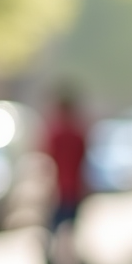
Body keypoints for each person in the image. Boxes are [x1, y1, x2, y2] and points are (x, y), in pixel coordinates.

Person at [44, 84, 88, 229]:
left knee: (55, 227)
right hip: (71, 188)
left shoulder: (57, 133)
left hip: (61, 188)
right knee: (68, 227)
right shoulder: (77, 133)